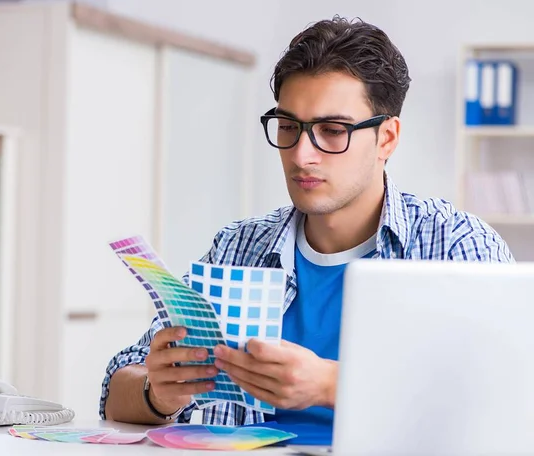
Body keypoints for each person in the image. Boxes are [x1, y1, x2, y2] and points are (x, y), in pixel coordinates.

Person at [99, 16, 514, 430]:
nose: (301, 155)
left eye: (332, 131)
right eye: (288, 127)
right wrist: (159, 394)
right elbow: (116, 390)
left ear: (386, 138)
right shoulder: (237, 248)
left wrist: (333, 386)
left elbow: (510, 397)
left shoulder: (457, 247)